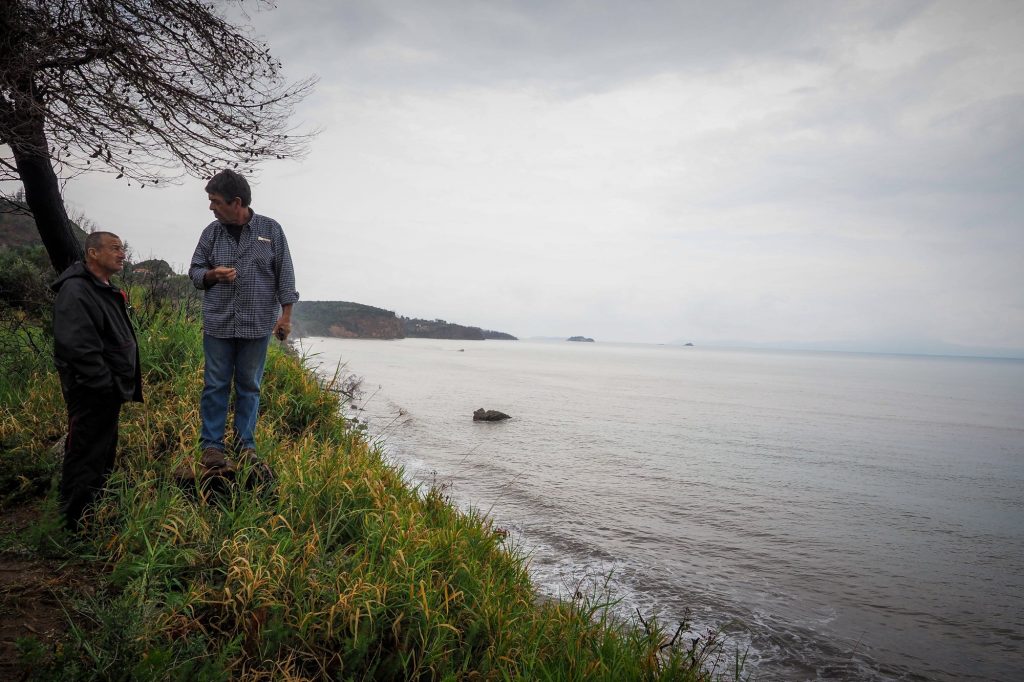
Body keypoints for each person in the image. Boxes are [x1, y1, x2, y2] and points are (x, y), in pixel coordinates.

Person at [187, 169, 298, 477]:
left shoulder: (271, 230)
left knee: (250, 386)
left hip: (257, 324)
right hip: (218, 323)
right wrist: (212, 274)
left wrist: (286, 316)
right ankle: (212, 446)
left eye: (215, 201)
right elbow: (195, 271)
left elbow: (285, 276)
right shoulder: (211, 233)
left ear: (236, 202)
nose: (211, 207)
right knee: (215, 384)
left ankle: (245, 445)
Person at [52, 231, 143, 531]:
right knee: (85, 454)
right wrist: (104, 382)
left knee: (101, 452)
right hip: (91, 390)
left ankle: (93, 516)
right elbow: (78, 347)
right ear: (93, 253)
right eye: (115, 248)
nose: (122, 254)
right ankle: (74, 526)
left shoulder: (100, 287)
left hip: (107, 390)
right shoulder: (76, 291)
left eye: (122, 248)